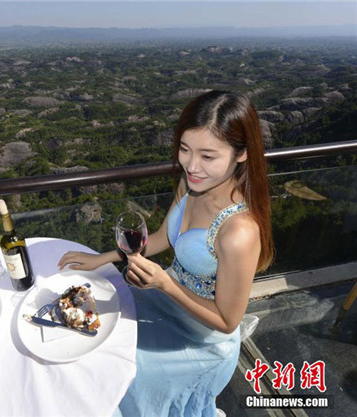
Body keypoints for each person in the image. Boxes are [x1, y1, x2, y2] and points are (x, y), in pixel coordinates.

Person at [58, 90, 274, 417]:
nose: (191, 164)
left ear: (241, 154)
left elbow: (228, 321)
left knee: (122, 371)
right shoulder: (190, 185)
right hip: (163, 300)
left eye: (208, 156)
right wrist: (101, 259)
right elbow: (162, 238)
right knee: (95, 335)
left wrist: (165, 284)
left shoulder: (238, 231)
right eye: (185, 149)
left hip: (201, 339)